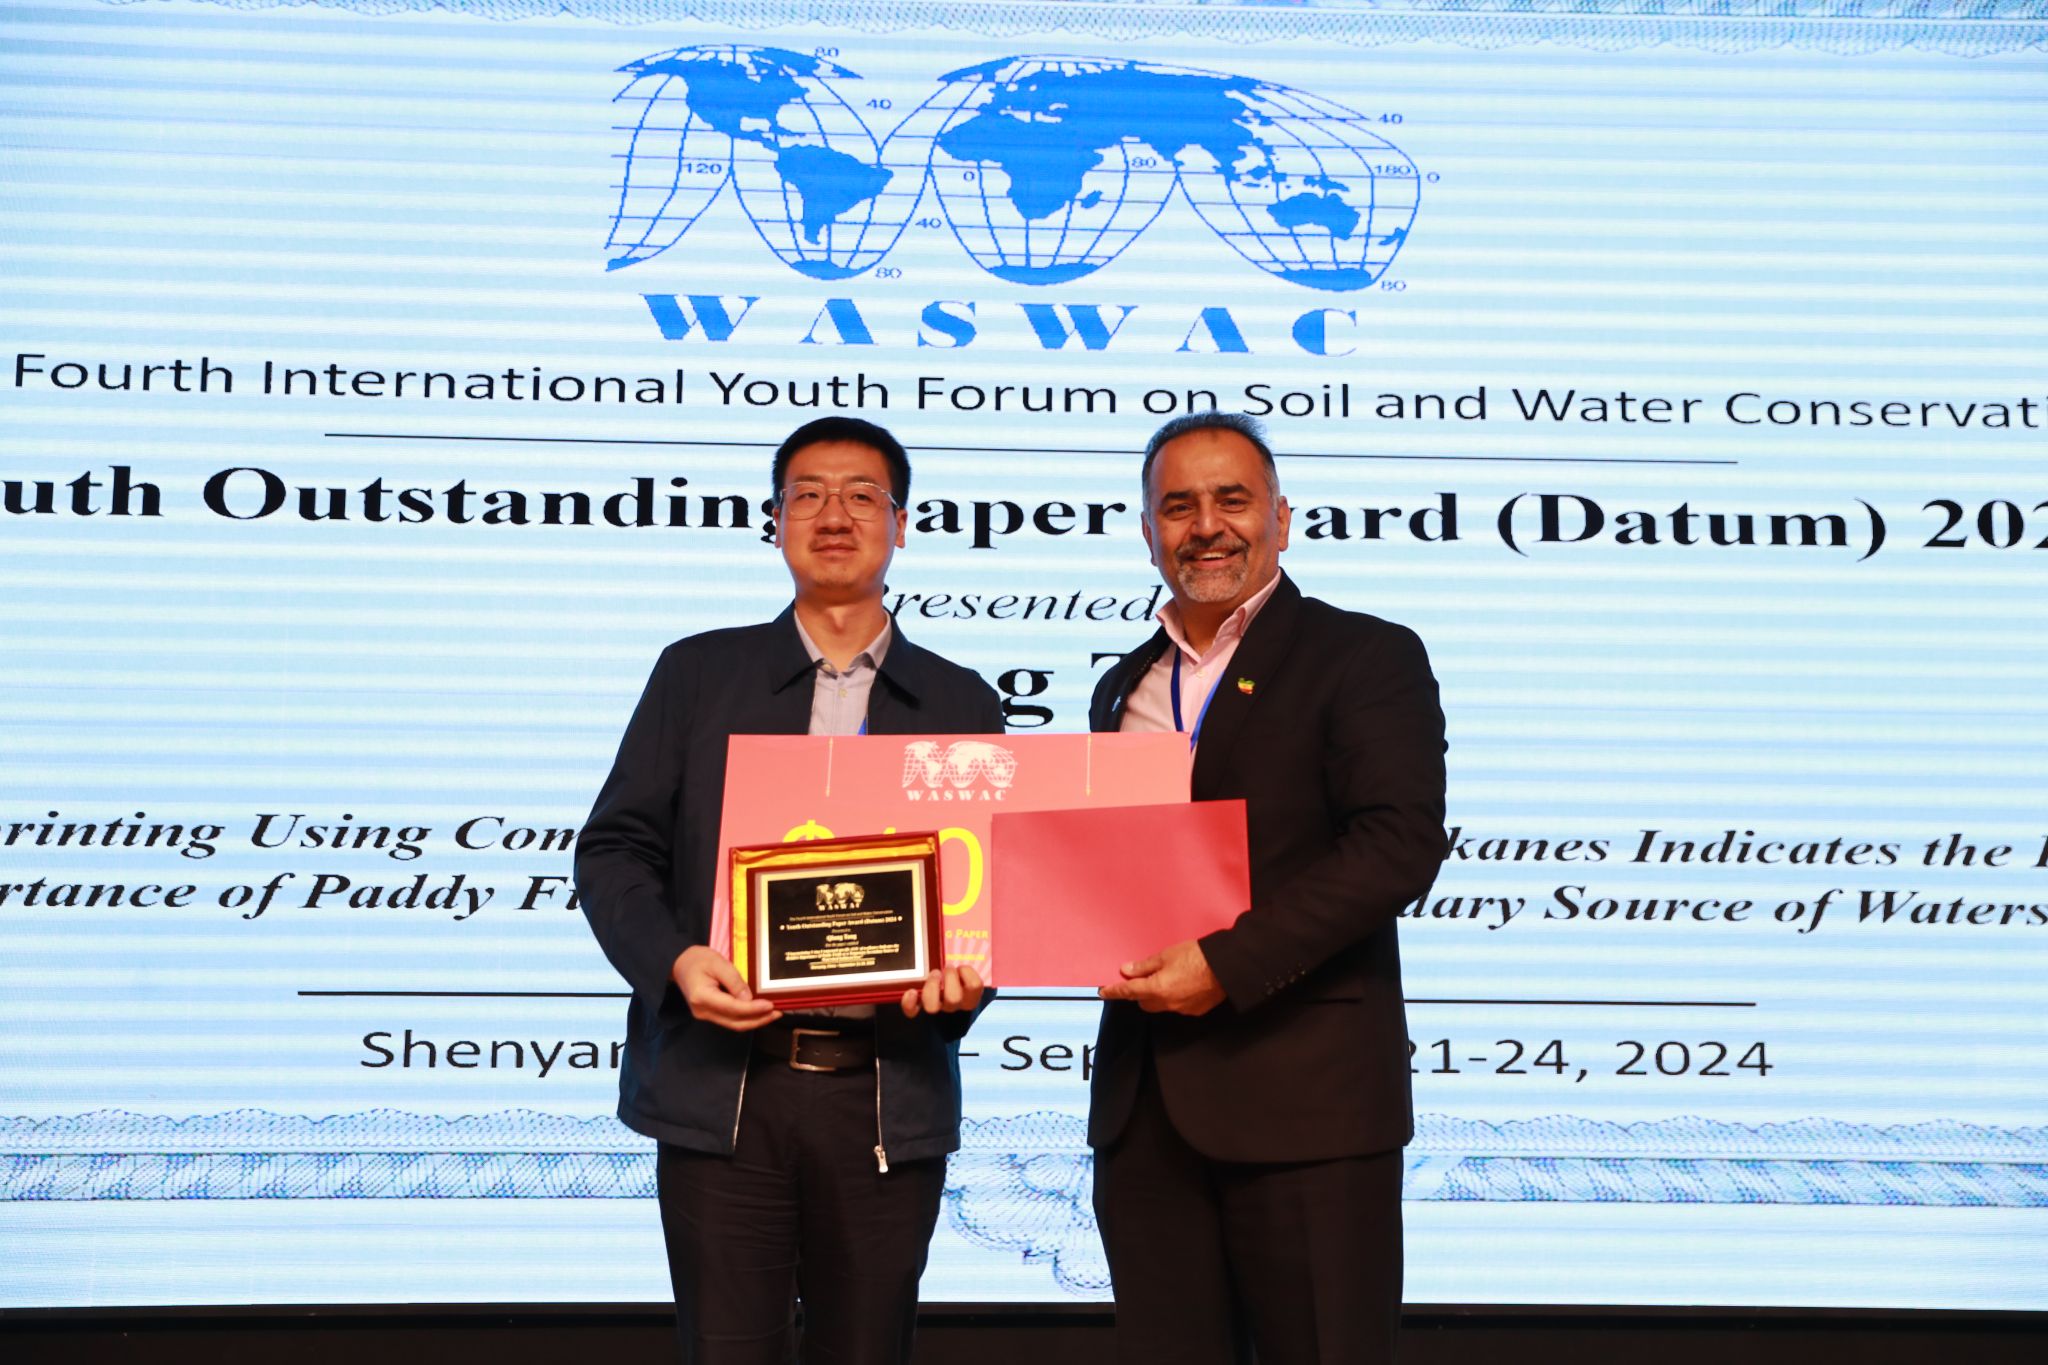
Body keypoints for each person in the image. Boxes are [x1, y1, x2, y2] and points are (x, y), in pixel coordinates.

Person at [576, 415, 1002, 1365]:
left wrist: (963, 989)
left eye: (862, 496)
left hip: (885, 1095)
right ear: (775, 521)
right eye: (807, 494)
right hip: (726, 1094)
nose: (833, 515)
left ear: (901, 524)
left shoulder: (961, 700)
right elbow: (614, 850)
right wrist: (676, 962)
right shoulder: (698, 673)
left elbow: (989, 894)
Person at [1088, 412, 1448, 1364]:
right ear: (1149, 531)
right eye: (1178, 506)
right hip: (1145, 1113)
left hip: (1308, 1106)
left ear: (1281, 519)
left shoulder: (1363, 655)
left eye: (1232, 499)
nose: (1206, 526)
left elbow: (1398, 844)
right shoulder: (1124, 685)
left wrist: (1226, 962)